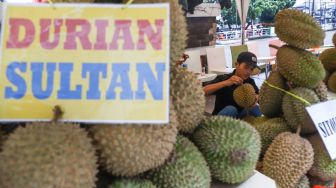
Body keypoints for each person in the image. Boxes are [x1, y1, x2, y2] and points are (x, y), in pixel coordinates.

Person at [203, 51, 262, 118]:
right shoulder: (224, 78)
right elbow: (203, 91)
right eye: (246, 67)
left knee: (255, 108)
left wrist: (257, 98)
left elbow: (259, 96)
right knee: (231, 109)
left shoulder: (250, 82)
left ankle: (260, 127)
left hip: (240, 117)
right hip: (222, 118)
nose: (248, 72)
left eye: (251, 69)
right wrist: (226, 83)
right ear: (237, 64)